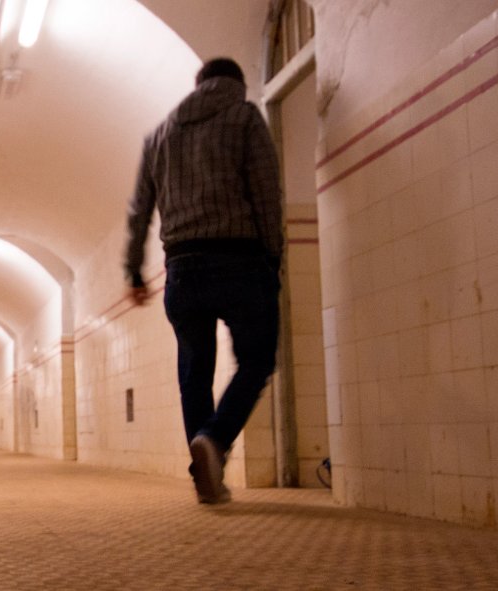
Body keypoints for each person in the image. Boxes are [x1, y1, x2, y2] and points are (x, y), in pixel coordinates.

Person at [124, 57, 283, 504]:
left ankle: (206, 479)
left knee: (194, 373)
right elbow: (266, 192)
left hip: (182, 269)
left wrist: (134, 270)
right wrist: (274, 255)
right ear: (237, 84)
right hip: (240, 259)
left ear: (197, 85)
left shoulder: (159, 135)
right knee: (256, 360)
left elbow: (139, 209)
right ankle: (214, 440)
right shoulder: (245, 116)